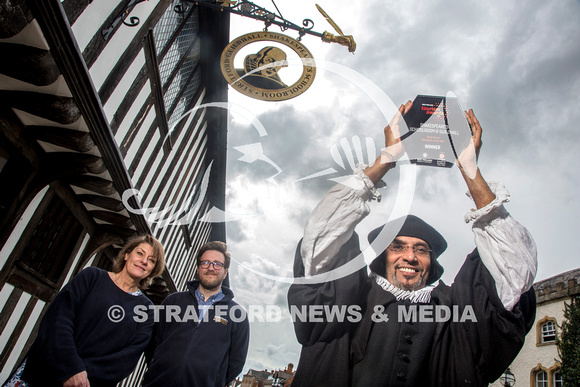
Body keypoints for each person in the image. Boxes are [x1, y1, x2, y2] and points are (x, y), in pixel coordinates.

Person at [287, 101, 538, 386]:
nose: (410, 256)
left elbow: (513, 267)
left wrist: (470, 169)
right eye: (398, 247)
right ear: (384, 256)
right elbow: (322, 232)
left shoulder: (457, 315)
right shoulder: (345, 296)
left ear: (432, 263)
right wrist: (388, 158)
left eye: (421, 249)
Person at [6, 234, 165, 387]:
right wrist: (71, 369)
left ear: (153, 270)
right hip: (41, 374)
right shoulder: (92, 277)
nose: (144, 261)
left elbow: (126, 358)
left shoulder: (147, 310)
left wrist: (83, 377)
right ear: (126, 255)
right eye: (140, 253)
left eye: (151, 260)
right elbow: (58, 319)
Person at [142, 241, 250, 387]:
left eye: (217, 264)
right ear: (198, 269)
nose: (211, 268)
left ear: (225, 272)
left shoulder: (238, 315)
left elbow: (236, 363)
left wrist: (214, 380)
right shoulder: (173, 301)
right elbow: (153, 344)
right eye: (205, 263)